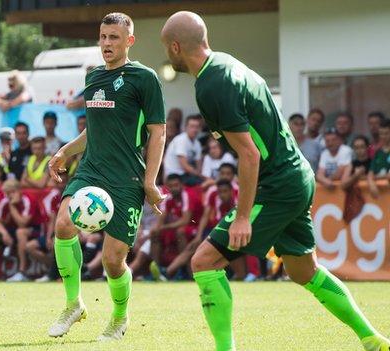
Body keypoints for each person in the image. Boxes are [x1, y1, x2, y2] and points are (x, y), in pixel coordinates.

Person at [161, 11, 389, 351]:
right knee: (303, 271)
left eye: (167, 48)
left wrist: (242, 217)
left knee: (204, 261)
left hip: (278, 184)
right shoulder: (229, 65)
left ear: (176, 47)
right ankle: (373, 340)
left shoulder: (212, 84)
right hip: (297, 176)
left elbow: (249, 155)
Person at [47, 12, 166, 341]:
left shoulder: (144, 78)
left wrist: (150, 181)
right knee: (62, 224)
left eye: (114, 37)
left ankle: (119, 316)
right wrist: (65, 152)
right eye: (103, 37)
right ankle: (74, 304)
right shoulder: (94, 78)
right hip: (92, 169)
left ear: (129, 41)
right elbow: (93, 131)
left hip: (127, 177)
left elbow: (158, 132)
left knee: (113, 260)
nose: (107, 43)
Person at [0, 179, 42, 282]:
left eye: (12, 192)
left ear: (19, 190)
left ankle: (22, 272)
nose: (9, 196)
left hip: (36, 229)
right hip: (14, 229)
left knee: (20, 232)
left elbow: (22, 223)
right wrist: (4, 234)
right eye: (7, 193)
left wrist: (12, 207)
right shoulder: (4, 201)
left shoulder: (28, 200)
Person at [163, 114, 203, 182]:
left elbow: (199, 164)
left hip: (185, 174)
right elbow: (185, 165)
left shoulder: (197, 143)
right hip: (173, 175)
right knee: (198, 182)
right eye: (192, 126)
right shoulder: (181, 140)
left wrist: (200, 174)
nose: (195, 129)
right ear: (185, 127)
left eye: (197, 127)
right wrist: (201, 176)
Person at [368, 119, 390, 198]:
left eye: (386, 133)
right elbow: (370, 173)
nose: (383, 136)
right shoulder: (377, 152)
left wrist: (375, 177)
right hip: (382, 196)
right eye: (381, 134)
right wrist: (371, 184)